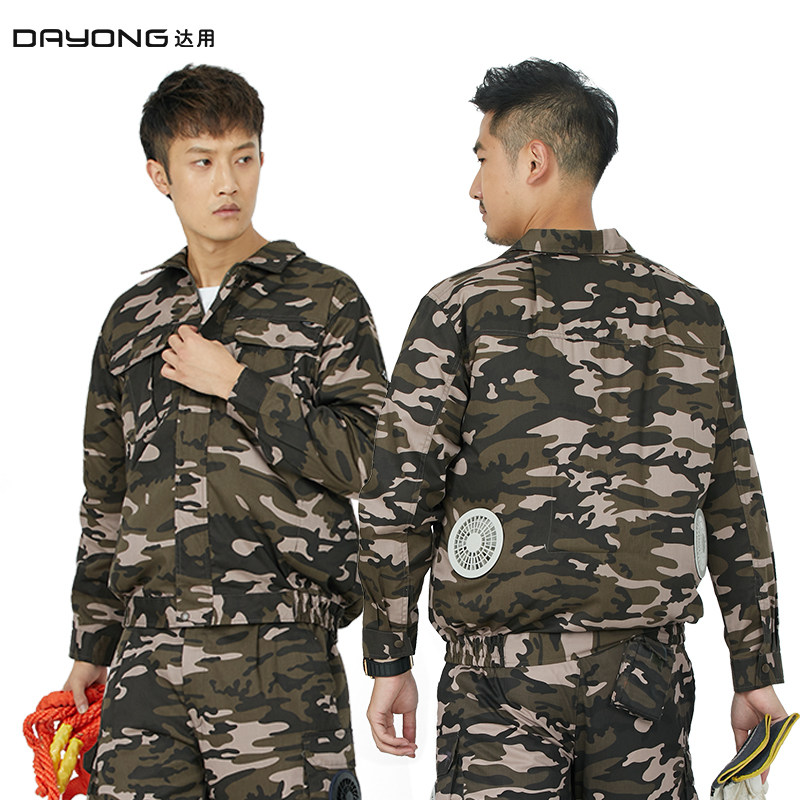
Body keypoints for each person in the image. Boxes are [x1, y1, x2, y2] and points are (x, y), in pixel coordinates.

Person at [358, 58, 786, 799]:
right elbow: (734, 502)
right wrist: (755, 671)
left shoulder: (462, 309)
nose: (473, 186)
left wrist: (390, 659)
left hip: (499, 689)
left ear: (534, 161)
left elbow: (400, 495)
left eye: (482, 159)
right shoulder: (689, 313)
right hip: (646, 688)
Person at [63, 64, 386, 799]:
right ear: (161, 175)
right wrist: (91, 644)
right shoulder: (131, 319)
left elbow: (373, 460)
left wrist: (240, 384)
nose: (228, 183)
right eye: (203, 162)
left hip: (279, 649)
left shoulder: (324, 299)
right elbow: (105, 494)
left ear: (263, 160)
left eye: (243, 157)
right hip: (147, 658)